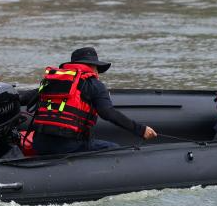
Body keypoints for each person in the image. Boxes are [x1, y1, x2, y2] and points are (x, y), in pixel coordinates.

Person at [24, 47, 157, 155]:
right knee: (114, 150)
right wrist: (141, 130)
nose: (98, 73)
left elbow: (24, 98)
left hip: (40, 144)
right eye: (97, 69)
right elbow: (107, 112)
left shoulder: (51, 82)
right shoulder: (94, 85)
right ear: (92, 67)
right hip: (68, 146)